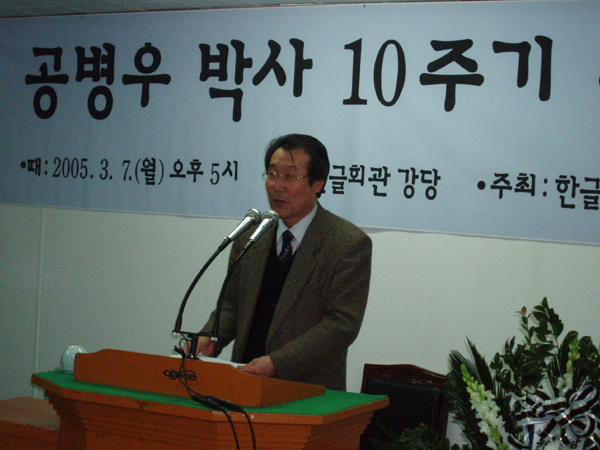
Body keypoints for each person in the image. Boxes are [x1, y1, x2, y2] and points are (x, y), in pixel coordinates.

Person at [192, 133, 372, 390]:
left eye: (290, 176)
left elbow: (341, 324)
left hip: (308, 391)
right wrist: (210, 337)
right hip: (244, 381)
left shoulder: (347, 243)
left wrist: (277, 363)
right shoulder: (251, 233)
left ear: (317, 183)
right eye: (272, 174)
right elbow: (232, 304)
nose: (277, 186)